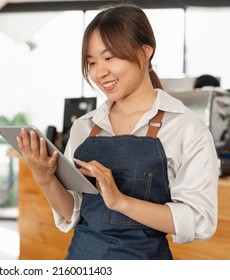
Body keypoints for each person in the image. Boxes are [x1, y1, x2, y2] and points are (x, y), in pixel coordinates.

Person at [16, 4, 218, 260]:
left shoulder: (186, 128)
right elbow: (73, 213)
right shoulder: (84, 127)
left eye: (110, 58)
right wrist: (44, 177)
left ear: (145, 52)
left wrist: (120, 201)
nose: (100, 72)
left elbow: (199, 220)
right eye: (91, 62)